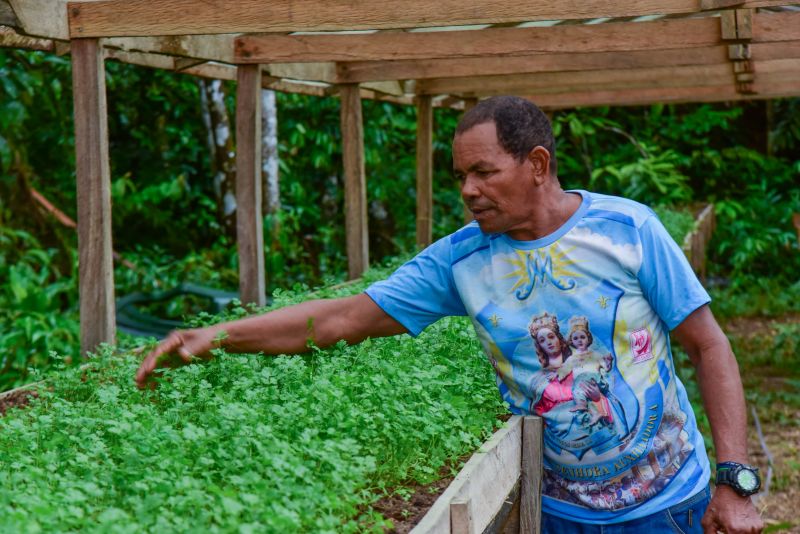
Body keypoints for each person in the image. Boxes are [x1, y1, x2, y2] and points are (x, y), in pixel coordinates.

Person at [136, 96, 763, 533]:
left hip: (668, 502)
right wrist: (217, 335)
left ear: (537, 165)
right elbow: (343, 319)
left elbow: (709, 345)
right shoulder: (462, 260)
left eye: (484, 172)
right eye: (461, 175)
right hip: (558, 511)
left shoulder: (628, 230)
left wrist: (734, 481)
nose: (467, 190)